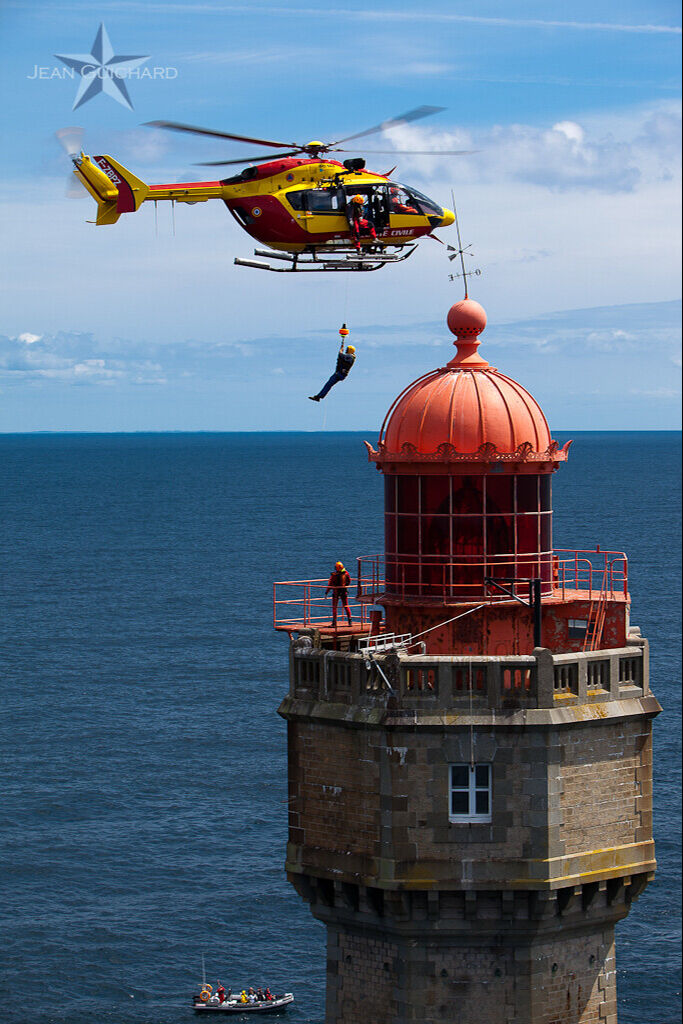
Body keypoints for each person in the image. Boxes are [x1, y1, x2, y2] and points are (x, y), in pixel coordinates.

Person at [309, 324, 356, 402]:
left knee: (328, 384)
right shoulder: (351, 356)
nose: (346, 351)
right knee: (328, 385)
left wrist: (341, 350)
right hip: (340, 373)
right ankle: (319, 396)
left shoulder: (350, 357)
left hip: (340, 374)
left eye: (347, 350)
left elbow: (341, 355)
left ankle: (319, 396)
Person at [326, 561, 353, 627]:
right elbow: (349, 581)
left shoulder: (334, 575)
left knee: (335, 607)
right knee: (346, 606)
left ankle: (334, 623)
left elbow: (330, 584)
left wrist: (326, 592)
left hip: (336, 592)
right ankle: (350, 621)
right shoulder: (346, 574)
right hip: (344, 592)